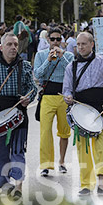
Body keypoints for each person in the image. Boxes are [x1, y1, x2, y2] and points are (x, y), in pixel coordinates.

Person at [0, 31, 37, 198]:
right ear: (1, 47)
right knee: (1, 151)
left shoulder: (24, 66)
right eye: (9, 44)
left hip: (19, 114)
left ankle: (18, 186)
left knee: (18, 151)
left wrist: (28, 98)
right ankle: (3, 184)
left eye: (16, 44)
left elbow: (33, 88)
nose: (13, 47)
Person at [62, 29, 103, 196]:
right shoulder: (70, 66)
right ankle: (86, 185)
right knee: (83, 149)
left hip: (98, 109)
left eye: (84, 44)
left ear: (92, 44)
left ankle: (102, 185)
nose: (80, 47)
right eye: (78, 44)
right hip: (79, 112)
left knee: (102, 147)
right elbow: (67, 88)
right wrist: (68, 96)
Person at [33, 26, 73, 177]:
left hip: (64, 95)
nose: (55, 42)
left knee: (64, 131)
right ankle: (46, 164)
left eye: (58, 39)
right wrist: (48, 60)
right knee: (45, 132)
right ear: (48, 40)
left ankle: (61, 161)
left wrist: (61, 57)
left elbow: (71, 71)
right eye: (52, 39)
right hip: (47, 95)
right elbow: (38, 74)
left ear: (62, 40)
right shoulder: (41, 55)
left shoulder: (68, 55)